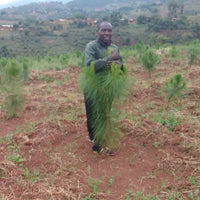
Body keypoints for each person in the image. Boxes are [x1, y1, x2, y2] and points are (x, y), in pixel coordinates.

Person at [84, 21, 124, 153]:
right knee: (93, 114)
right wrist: (108, 60)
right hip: (93, 86)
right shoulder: (91, 46)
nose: (107, 33)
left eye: (109, 30)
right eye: (104, 30)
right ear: (98, 32)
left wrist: (120, 66)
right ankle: (95, 139)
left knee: (105, 113)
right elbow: (89, 65)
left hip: (108, 87)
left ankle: (103, 138)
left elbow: (122, 65)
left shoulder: (115, 47)